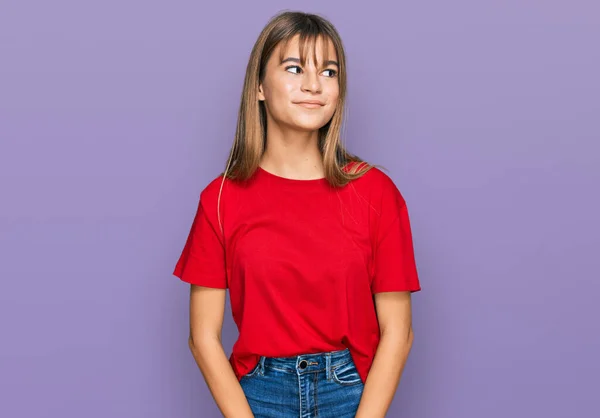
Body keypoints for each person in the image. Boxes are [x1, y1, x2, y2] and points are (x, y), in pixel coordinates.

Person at [172, 10, 421, 418]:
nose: (313, 85)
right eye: (294, 68)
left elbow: (399, 332)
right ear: (259, 87)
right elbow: (202, 337)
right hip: (258, 393)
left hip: (351, 392)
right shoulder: (219, 199)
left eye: (328, 72)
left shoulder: (376, 192)